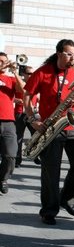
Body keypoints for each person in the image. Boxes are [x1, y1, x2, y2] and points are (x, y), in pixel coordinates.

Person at [23, 39, 74, 225]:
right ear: (59, 53)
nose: (73, 57)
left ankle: (66, 199)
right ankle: (49, 210)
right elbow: (27, 95)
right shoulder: (43, 72)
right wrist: (33, 119)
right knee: (51, 172)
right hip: (51, 127)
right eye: (69, 54)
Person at [0, 52, 25, 194]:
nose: (3, 63)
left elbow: (24, 90)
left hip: (8, 121)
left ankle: (2, 178)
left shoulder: (10, 79)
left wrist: (15, 72)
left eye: (4, 60)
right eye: (0, 61)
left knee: (10, 155)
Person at [14, 66, 38, 167]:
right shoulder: (19, 83)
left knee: (36, 136)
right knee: (18, 137)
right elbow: (11, 96)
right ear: (23, 74)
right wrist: (16, 100)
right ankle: (17, 160)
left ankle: (35, 156)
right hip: (20, 113)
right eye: (28, 73)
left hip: (32, 113)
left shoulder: (36, 84)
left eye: (32, 73)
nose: (31, 75)